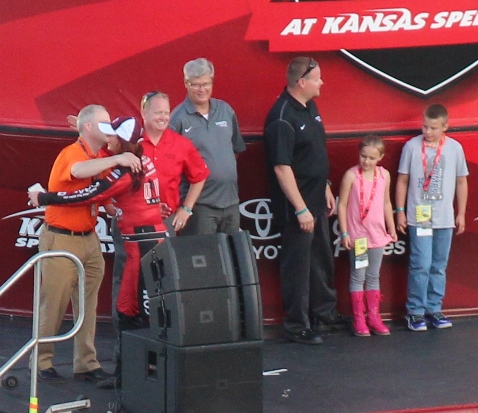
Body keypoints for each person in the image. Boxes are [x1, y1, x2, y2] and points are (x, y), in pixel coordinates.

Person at [29, 116, 168, 388]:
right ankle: (42, 362)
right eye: (103, 127)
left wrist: (45, 198)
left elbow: (97, 192)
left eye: (112, 132)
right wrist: (117, 160)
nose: (108, 136)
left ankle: (93, 366)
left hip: (109, 240)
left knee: (98, 307)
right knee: (53, 304)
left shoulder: (117, 160)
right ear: (91, 129)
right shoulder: (82, 154)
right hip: (63, 237)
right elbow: (84, 176)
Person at [264, 56, 346, 345]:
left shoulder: (309, 106)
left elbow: (314, 152)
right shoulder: (282, 117)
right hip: (296, 206)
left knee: (321, 258)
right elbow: (281, 167)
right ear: (301, 83)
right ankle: (297, 325)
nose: (322, 82)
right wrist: (300, 209)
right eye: (317, 78)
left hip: (316, 198)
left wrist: (324, 186)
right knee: (297, 266)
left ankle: (324, 313)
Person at [396, 104, 468, 332]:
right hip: (420, 216)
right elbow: (402, 180)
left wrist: (461, 213)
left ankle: (434, 308)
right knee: (421, 264)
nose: (428, 132)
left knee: (438, 265)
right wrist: (400, 211)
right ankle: (415, 312)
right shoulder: (411, 147)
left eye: (433, 128)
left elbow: (461, 182)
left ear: (445, 126)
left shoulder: (455, 148)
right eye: (425, 126)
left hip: (444, 218)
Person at [169, 57, 246, 235]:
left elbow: (235, 150)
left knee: (233, 259)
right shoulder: (177, 119)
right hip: (199, 207)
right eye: (196, 84)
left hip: (231, 202)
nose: (202, 89)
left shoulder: (225, 110)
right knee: (204, 260)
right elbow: (170, 165)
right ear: (186, 84)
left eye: (206, 83)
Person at [337, 135, 397, 337]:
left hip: (378, 234)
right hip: (358, 237)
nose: (367, 161)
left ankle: (374, 316)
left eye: (372, 158)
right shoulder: (351, 176)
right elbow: (342, 205)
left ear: (380, 157)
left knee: (374, 275)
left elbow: (387, 203)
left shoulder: (384, 176)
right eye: (363, 156)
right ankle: (359, 318)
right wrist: (344, 232)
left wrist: (392, 227)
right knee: (358, 275)